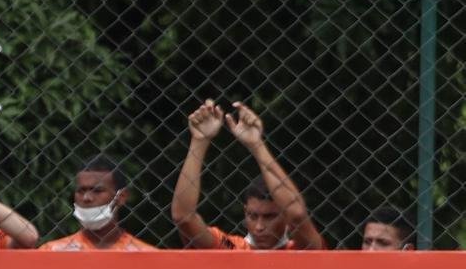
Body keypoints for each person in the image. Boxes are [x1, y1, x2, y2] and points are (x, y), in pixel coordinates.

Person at [171, 99, 325, 250]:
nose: (259, 227)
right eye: (252, 216)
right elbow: (183, 217)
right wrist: (199, 140)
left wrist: (256, 144)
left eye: (269, 216)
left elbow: (296, 213)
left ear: (286, 218)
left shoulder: (302, 250)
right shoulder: (233, 249)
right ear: (245, 211)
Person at [40, 156, 156, 251]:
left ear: (121, 197)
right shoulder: (52, 252)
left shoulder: (144, 255)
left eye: (97, 191)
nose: (87, 198)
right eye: (81, 191)